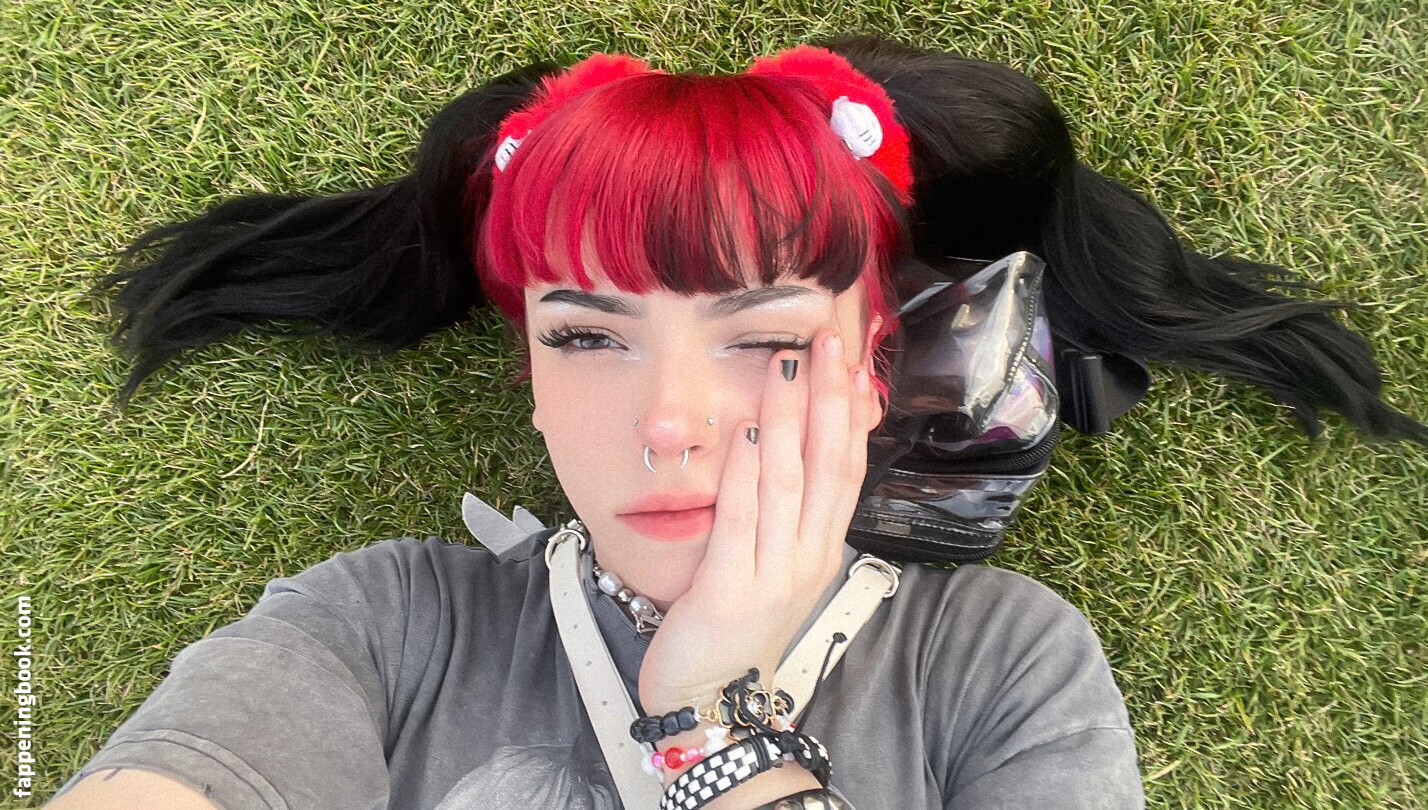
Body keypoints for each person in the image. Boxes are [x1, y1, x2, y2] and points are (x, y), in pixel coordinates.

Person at [46, 33, 1423, 809]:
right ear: (527, 371)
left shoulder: (1004, 670)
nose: (669, 427)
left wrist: (715, 722)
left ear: (875, 367)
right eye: (587, 335)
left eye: (765, 341)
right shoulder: (382, 627)